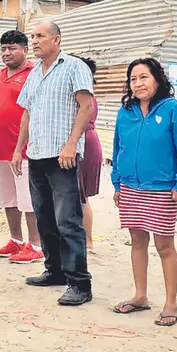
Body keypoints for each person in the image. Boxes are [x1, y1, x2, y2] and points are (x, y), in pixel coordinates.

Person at [110, 58, 177, 327]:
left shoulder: (173, 109)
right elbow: (117, 149)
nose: (138, 83)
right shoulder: (125, 112)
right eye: (133, 79)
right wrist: (117, 184)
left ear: (157, 79)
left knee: (164, 246)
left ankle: (171, 303)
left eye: (144, 77)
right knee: (137, 242)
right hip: (130, 187)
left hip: (162, 190)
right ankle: (140, 296)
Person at [12, 21, 95, 306]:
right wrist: (18, 148)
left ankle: (80, 283)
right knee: (45, 217)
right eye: (32, 36)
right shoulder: (34, 72)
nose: (34, 41)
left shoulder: (73, 67)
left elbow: (86, 106)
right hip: (36, 155)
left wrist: (72, 144)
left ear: (56, 40)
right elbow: (27, 114)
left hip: (63, 155)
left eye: (40, 36)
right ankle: (54, 271)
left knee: (67, 220)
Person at [0, 30, 43, 264]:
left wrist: (21, 146)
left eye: (12, 48)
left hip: (24, 149)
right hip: (0, 147)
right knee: (8, 198)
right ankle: (15, 240)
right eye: (4, 48)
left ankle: (35, 244)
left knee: (28, 198)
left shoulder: (35, 73)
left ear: (25, 49)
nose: (7, 53)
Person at [73, 55, 101, 252]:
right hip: (90, 141)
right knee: (81, 197)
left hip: (84, 143)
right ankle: (86, 241)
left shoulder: (84, 97)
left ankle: (87, 241)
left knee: (80, 197)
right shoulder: (89, 95)